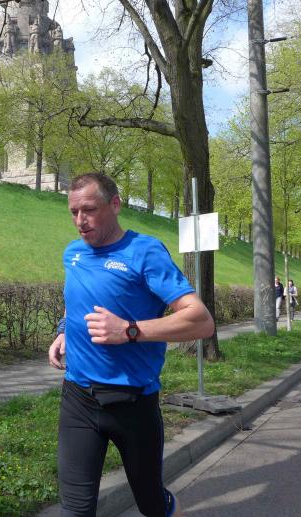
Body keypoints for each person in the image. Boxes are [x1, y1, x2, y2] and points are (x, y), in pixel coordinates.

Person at [48, 173, 215, 517]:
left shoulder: (145, 252)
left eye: (89, 210)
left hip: (133, 402)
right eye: (74, 212)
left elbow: (201, 320)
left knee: (152, 504)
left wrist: (129, 330)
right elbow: (76, 299)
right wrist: (65, 330)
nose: (80, 221)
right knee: (74, 510)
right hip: (78, 399)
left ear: (115, 204)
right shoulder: (73, 253)